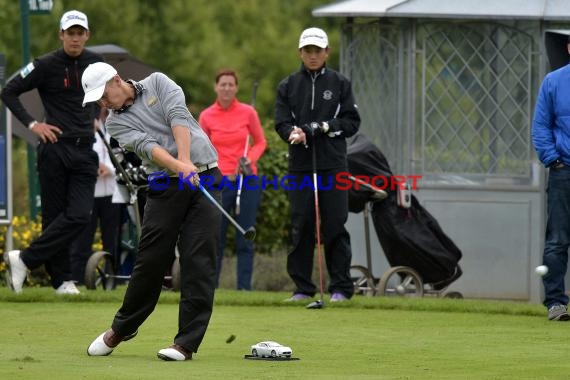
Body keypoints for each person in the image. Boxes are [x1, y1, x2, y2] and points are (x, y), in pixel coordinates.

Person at [81, 61, 221, 361]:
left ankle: (185, 344)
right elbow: (148, 147)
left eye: (103, 95)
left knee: (199, 259)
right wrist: (179, 166)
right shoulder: (114, 124)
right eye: (98, 101)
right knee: (151, 259)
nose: (103, 104)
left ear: (116, 80)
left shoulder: (158, 82)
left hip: (204, 175)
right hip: (163, 184)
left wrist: (185, 160)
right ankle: (122, 327)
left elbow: (178, 117)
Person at [1, 10, 102, 295]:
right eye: (70, 32)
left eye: (80, 32)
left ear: (87, 35)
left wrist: (96, 114)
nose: (75, 38)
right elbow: (8, 91)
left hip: (85, 151)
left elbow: (107, 91)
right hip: (54, 149)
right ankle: (62, 281)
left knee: (80, 215)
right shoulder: (45, 64)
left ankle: (24, 259)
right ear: (61, 35)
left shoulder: (96, 63)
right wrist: (33, 124)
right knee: (54, 216)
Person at [274, 27, 360, 303]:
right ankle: (302, 287)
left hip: (333, 163)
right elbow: (281, 121)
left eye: (317, 51)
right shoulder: (288, 85)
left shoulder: (340, 83)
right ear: (300, 53)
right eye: (307, 51)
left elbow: (351, 122)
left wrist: (323, 127)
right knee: (302, 224)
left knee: (335, 223)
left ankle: (341, 287)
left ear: (327, 53)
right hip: (300, 164)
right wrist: (292, 134)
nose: (312, 56)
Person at [199, 69, 266, 290]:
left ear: (236, 87)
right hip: (219, 181)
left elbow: (260, 142)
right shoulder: (207, 115)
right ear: (216, 87)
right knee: (216, 238)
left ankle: (244, 289)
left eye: (231, 84)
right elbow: (201, 148)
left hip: (246, 182)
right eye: (223, 84)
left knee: (245, 235)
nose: (227, 88)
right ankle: (212, 289)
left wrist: (249, 160)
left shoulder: (248, 112)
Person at [531, 36, 570, 321]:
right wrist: (553, 160)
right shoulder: (554, 81)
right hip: (563, 171)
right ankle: (556, 302)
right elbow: (541, 125)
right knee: (557, 240)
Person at [70, 108, 121, 284]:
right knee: (83, 238)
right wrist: (93, 168)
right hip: (89, 193)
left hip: (111, 194)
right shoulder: (79, 128)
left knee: (112, 239)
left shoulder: (111, 126)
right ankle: (77, 278)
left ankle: (111, 279)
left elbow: (119, 156)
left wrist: (110, 169)